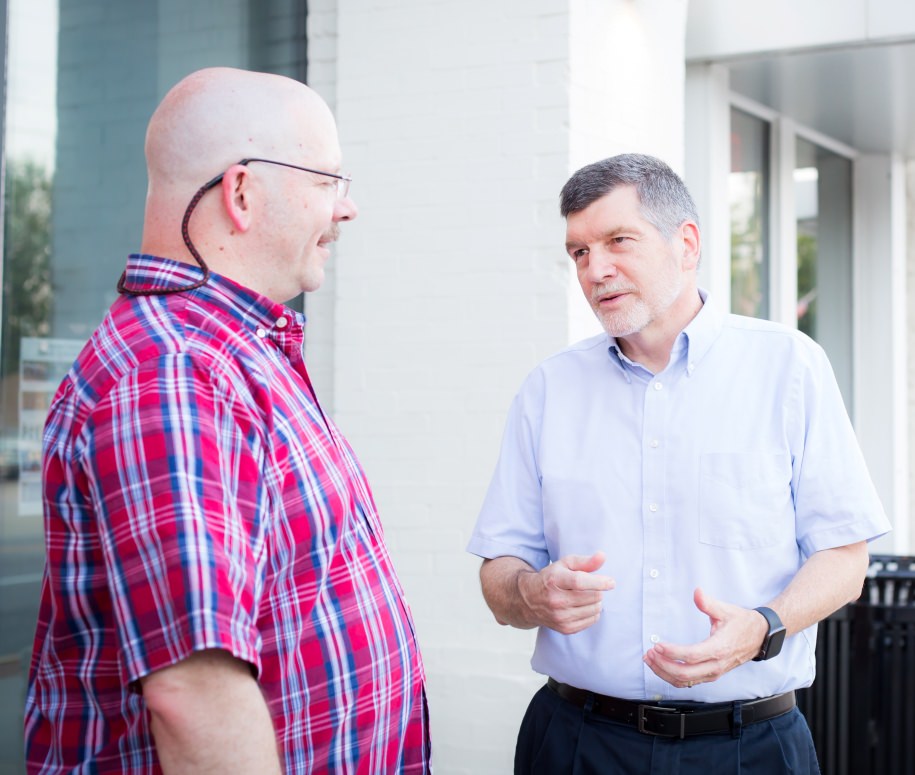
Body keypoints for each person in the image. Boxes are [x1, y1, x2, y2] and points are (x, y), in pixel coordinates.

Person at [24, 67, 429, 774]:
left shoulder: (229, 354)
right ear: (242, 193)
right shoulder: (175, 373)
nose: (346, 208)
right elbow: (194, 695)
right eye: (328, 180)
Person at [467, 153, 890, 774]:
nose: (595, 270)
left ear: (686, 244)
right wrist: (530, 593)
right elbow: (499, 573)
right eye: (579, 252)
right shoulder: (548, 390)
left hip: (750, 748)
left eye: (618, 241)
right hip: (579, 743)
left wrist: (763, 626)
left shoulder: (789, 369)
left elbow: (845, 560)